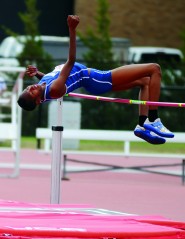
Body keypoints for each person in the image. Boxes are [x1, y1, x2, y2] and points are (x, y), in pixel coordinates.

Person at [17, 15, 174, 145]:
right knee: (154, 69)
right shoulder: (54, 90)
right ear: (38, 101)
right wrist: (72, 30)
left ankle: (142, 125)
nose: (30, 88)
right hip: (99, 79)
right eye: (31, 92)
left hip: (94, 80)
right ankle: (153, 119)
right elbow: (70, 61)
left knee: (145, 82)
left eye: (27, 88)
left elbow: (50, 78)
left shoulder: (43, 84)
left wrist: (38, 73)